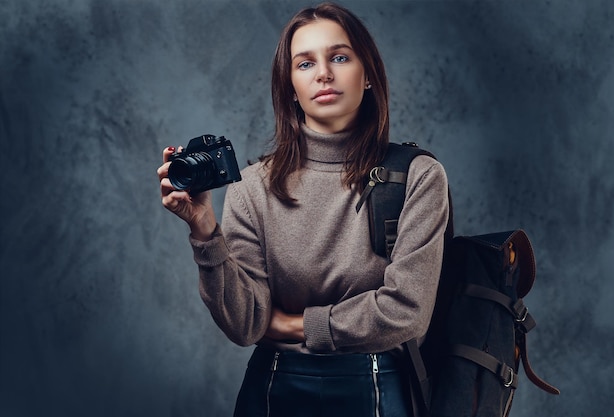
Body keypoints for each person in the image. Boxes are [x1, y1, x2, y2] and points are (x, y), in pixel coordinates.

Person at [157, 3, 449, 416]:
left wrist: (297, 325)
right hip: (273, 386)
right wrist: (205, 231)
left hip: (378, 386)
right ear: (291, 87)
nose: (324, 73)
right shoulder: (253, 185)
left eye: (340, 57)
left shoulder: (417, 176)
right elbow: (246, 323)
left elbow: (406, 312)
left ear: (368, 75)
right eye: (305, 63)